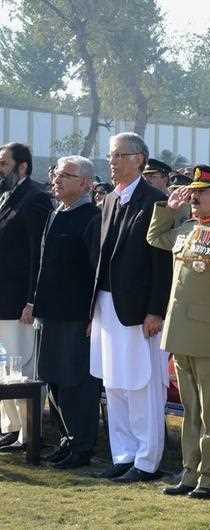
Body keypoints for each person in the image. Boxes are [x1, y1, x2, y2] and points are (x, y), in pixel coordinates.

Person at [148, 166, 210, 500]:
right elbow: (154, 237)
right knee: (191, 409)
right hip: (180, 332)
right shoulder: (186, 228)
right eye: (192, 190)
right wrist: (167, 209)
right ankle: (189, 471)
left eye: (201, 191)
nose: (193, 196)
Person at [90, 132, 172, 483]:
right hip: (107, 305)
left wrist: (156, 310)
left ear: (140, 159)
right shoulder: (110, 199)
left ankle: (146, 459)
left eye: (120, 155)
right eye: (111, 156)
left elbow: (162, 262)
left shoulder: (156, 200)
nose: (113, 162)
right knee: (115, 385)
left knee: (142, 385)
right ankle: (122, 454)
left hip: (139, 310)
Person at [32, 156, 100, 468]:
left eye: (66, 175)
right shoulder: (57, 212)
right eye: (57, 174)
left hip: (76, 316)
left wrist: (91, 315)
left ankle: (82, 446)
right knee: (54, 382)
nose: (57, 180)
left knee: (77, 384)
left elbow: (96, 271)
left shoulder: (91, 217)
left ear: (85, 183)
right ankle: (66, 439)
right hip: (50, 312)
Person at [0, 142, 52, 451]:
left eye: (4, 164)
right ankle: (10, 427)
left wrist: (33, 299)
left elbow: (38, 255)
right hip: (2, 299)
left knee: (21, 368)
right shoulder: (6, 197)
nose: (0, 170)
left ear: (23, 167)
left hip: (20, 302)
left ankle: (28, 433)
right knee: (3, 367)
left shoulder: (35, 199)